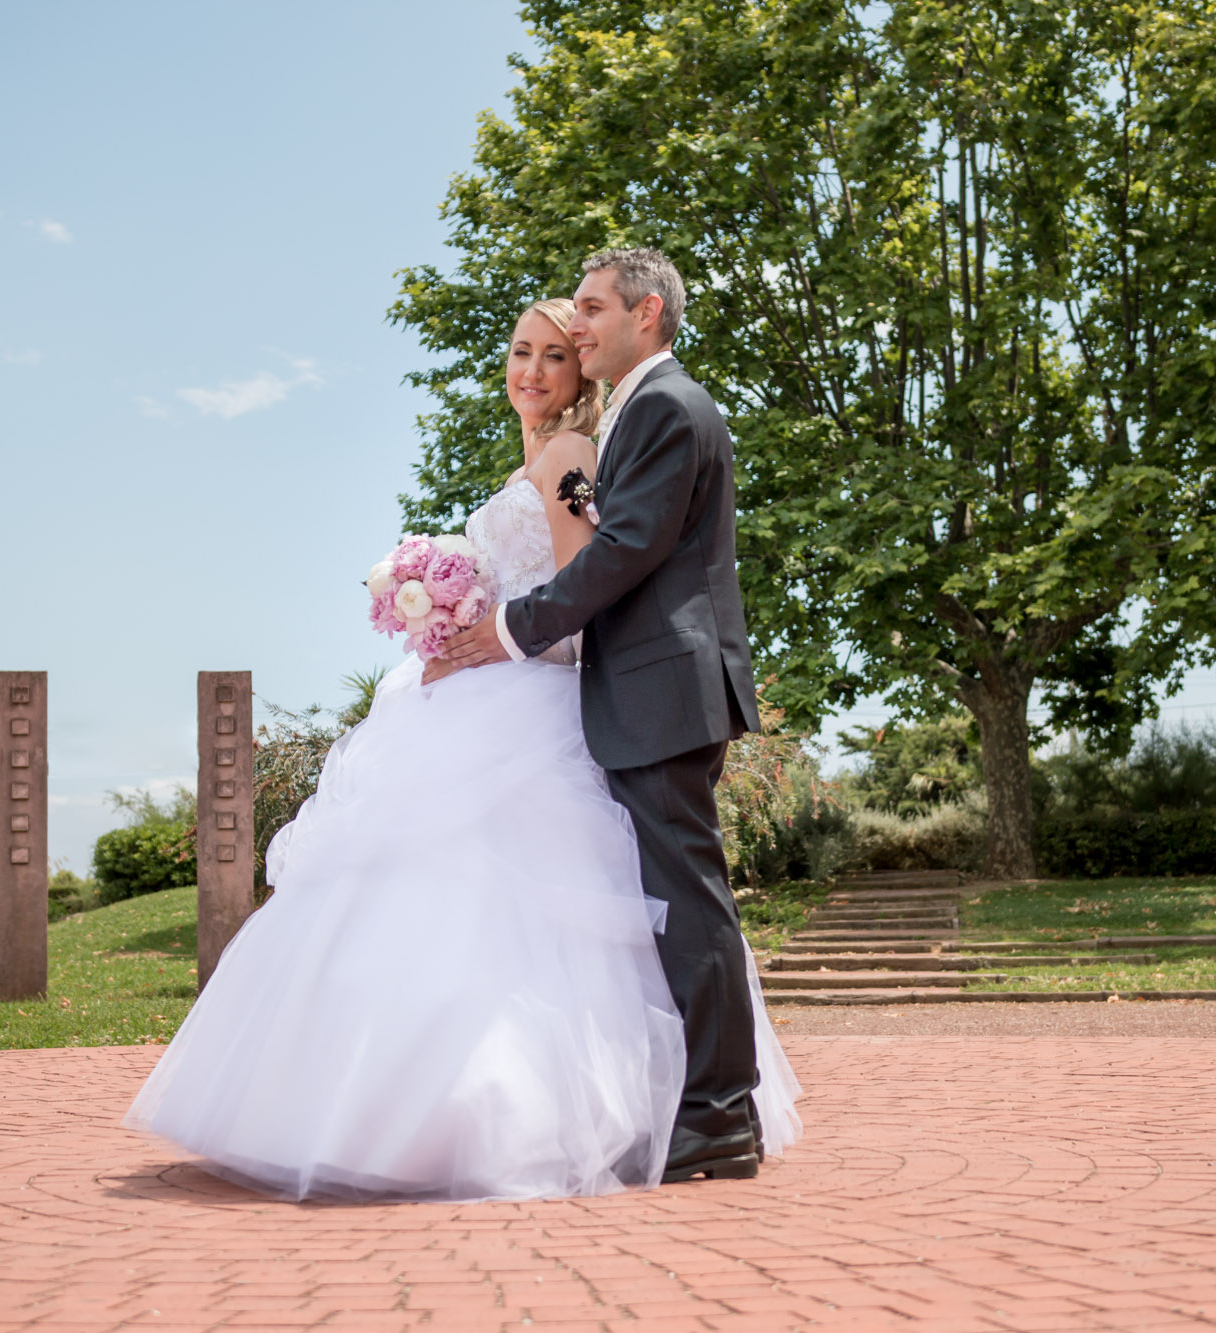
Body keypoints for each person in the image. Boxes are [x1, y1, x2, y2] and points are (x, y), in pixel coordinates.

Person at [120, 294, 799, 1203]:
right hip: (485, 685)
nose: (531, 371)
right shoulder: (535, 457)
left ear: (580, 373)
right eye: (520, 352)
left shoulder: (569, 459)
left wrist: (485, 636)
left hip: (533, 701)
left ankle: (622, 1111)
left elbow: (583, 604)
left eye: (554, 356)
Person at [436, 248, 769, 1184]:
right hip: (648, 690)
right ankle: (707, 1108)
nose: (575, 330)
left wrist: (510, 627)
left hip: (664, 688)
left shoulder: (664, 407)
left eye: (589, 310)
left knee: (691, 904)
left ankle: (718, 1116)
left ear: (646, 313)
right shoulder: (638, 410)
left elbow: (621, 550)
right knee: (673, 904)